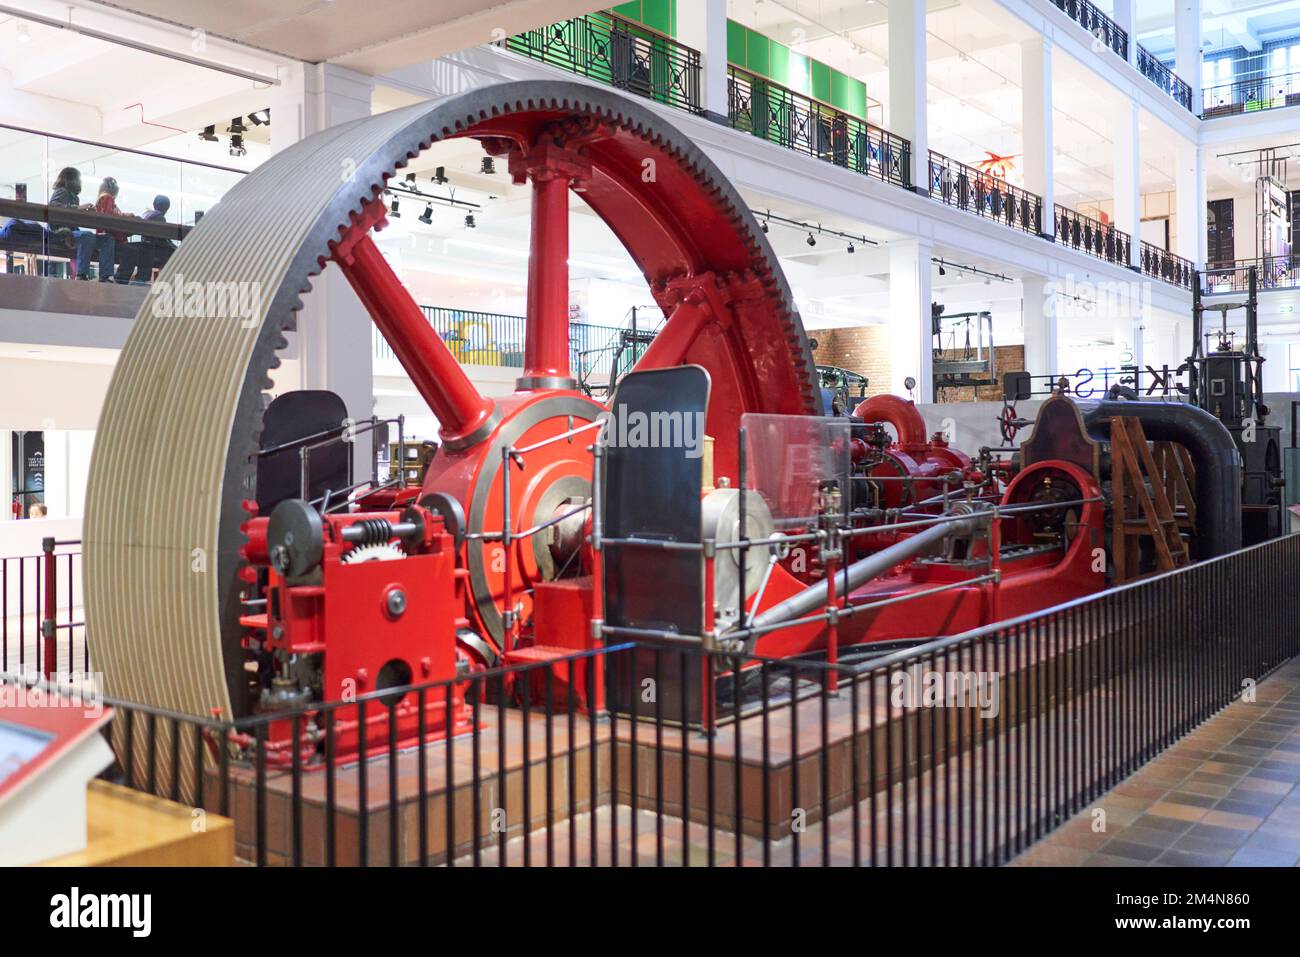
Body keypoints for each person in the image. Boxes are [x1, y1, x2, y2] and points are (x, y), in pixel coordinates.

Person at [47, 167, 115, 280]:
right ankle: (81, 274)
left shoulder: (74, 197)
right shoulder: (61, 191)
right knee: (87, 236)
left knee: (108, 239)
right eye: (78, 179)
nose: (80, 182)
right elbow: (53, 207)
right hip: (61, 233)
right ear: (71, 179)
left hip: (74, 232)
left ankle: (106, 276)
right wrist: (78, 208)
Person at [115, 194, 176, 284]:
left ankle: (125, 279)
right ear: (167, 208)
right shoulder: (159, 218)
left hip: (147, 248)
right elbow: (164, 240)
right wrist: (176, 249)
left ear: (154, 204)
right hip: (154, 249)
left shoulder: (148, 215)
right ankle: (142, 280)